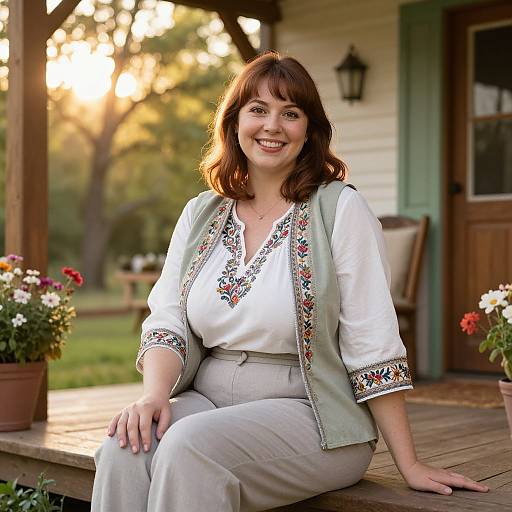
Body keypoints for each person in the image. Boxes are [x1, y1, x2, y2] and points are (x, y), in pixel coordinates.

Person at [91, 51, 489, 512]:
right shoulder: (201, 213)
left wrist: (410, 463)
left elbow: (372, 339)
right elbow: (169, 318)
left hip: (314, 411)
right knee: (126, 444)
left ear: (310, 130)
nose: (272, 126)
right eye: (258, 110)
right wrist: (154, 397)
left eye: (291, 113)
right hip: (207, 395)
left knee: (188, 447)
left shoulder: (340, 209)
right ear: (234, 122)